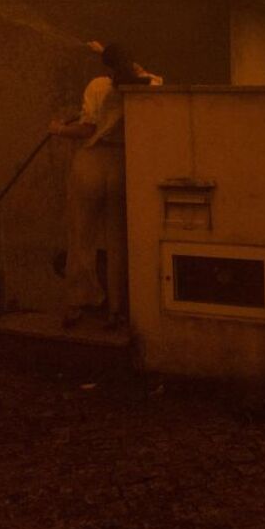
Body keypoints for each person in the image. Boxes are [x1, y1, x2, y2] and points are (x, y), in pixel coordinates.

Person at [50, 41, 161, 329]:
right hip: (122, 164)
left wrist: (59, 129)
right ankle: (116, 309)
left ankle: (77, 303)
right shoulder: (147, 84)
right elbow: (140, 74)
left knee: (81, 237)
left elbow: (87, 128)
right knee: (118, 241)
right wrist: (110, 54)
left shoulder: (98, 85)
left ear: (107, 65)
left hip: (92, 162)